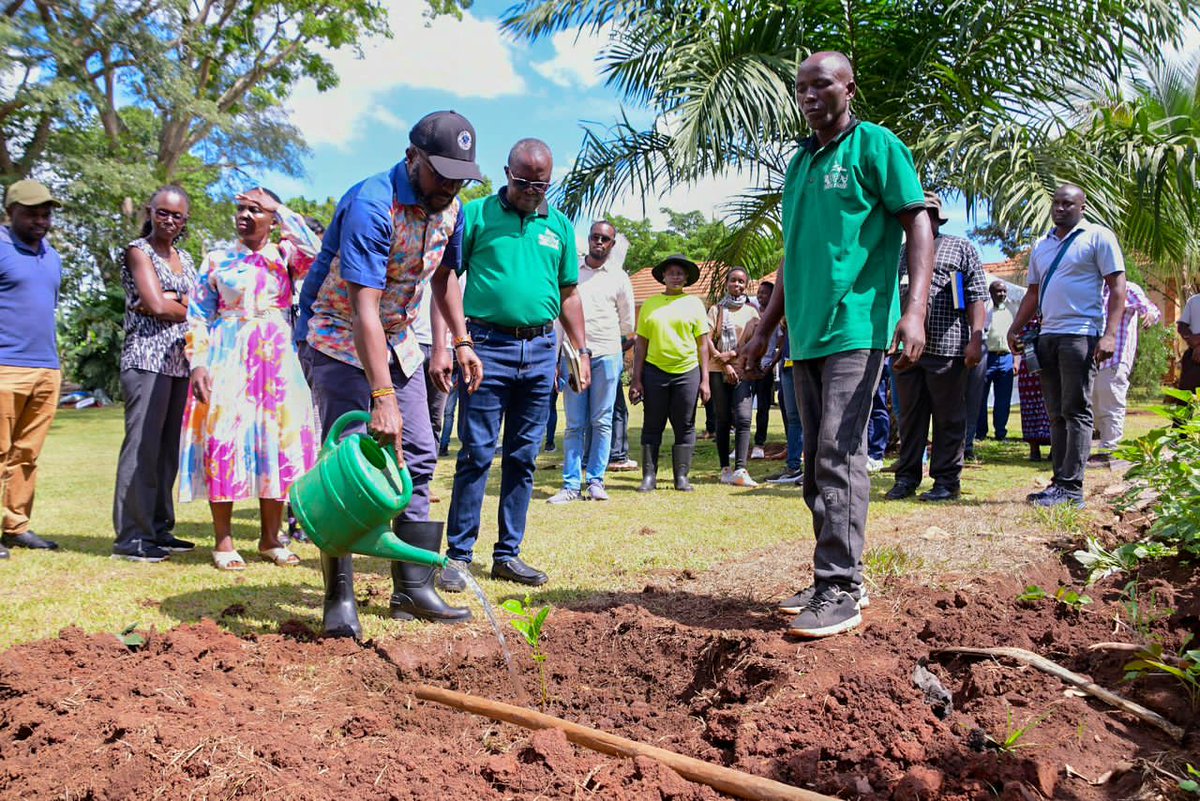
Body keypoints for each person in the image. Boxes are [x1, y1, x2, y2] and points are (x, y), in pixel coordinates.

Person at [742, 51, 933, 638]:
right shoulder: (799, 165)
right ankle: (839, 576)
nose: (809, 95)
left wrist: (915, 310)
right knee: (810, 465)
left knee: (838, 453)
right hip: (807, 331)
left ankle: (840, 585)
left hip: (857, 323)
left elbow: (917, 220)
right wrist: (769, 326)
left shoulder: (876, 146)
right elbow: (793, 252)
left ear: (849, 87)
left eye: (821, 84)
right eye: (801, 88)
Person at [297, 110, 485, 637]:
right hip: (336, 334)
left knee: (420, 452)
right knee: (351, 461)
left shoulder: (454, 211)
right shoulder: (371, 204)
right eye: (440, 172)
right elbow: (363, 310)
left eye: (459, 175)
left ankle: (413, 588)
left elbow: (447, 279)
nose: (449, 184)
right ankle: (339, 599)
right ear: (412, 158)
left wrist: (462, 341)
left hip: (398, 336)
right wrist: (381, 396)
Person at [439, 138, 588, 592]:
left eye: (539, 184)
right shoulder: (477, 214)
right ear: (506, 173)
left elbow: (568, 293)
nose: (530, 190)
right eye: (522, 181)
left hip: (541, 351)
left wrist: (579, 350)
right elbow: (444, 276)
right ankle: (459, 556)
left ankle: (508, 555)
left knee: (523, 457)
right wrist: (455, 342)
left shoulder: (559, 225)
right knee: (477, 454)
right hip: (486, 348)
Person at [179, 187, 321, 570]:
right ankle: (224, 541)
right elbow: (197, 315)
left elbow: (318, 251)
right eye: (240, 208)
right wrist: (199, 363)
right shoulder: (217, 259)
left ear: (272, 219)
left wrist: (280, 209)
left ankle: (271, 539)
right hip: (227, 356)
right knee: (223, 440)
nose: (244, 215)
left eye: (255, 210)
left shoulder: (285, 256)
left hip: (276, 359)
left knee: (277, 442)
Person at [1007, 184, 1126, 508]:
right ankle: (1059, 483)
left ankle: (1073, 489)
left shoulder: (1098, 237)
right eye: (1056, 203)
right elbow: (1033, 293)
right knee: (1056, 413)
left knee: (1076, 411)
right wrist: (1015, 328)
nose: (1060, 208)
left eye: (1068, 204)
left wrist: (1110, 334)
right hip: (1047, 337)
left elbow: (1117, 287)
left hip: (1080, 336)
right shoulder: (1042, 246)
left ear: (1082, 208)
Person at [111, 186, 198, 562]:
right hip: (146, 360)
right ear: (151, 211)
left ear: (185, 221)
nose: (168, 220)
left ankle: (159, 529)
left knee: (166, 453)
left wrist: (173, 302)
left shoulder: (186, 258)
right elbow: (154, 304)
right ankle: (132, 537)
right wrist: (174, 303)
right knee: (142, 448)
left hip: (178, 363)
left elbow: (198, 306)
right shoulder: (138, 251)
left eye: (176, 215)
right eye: (162, 212)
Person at [885, 193, 986, 502]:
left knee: (948, 419)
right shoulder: (900, 253)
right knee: (910, 420)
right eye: (916, 213)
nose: (921, 219)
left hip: (948, 349)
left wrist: (976, 339)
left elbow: (976, 294)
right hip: (906, 353)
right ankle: (906, 479)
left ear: (938, 218)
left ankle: (946, 481)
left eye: (927, 213)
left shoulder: (960, 247)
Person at [547, 220, 634, 503]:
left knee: (602, 421)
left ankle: (596, 481)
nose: (599, 242)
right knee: (574, 424)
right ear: (589, 239)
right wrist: (557, 356)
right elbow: (560, 317)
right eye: (595, 237)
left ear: (612, 244)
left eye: (605, 239)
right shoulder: (571, 272)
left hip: (607, 355)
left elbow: (627, 323)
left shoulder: (620, 277)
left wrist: (612, 347)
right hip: (572, 356)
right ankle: (571, 485)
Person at [0, 179, 64, 559]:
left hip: (45, 367)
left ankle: (16, 525)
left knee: (27, 454)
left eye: (46, 214)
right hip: (4, 365)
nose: (41, 220)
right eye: (32, 213)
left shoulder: (51, 255)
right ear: (11, 213)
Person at [630, 255, 711, 492]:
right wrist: (636, 379)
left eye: (680, 273)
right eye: (671, 273)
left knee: (685, 424)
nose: (675, 277)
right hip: (655, 372)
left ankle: (682, 477)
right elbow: (641, 345)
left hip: (687, 371)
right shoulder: (650, 304)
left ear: (686, 278)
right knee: (652, 423)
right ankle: (649, 477)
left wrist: (705, 380)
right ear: (663, 276)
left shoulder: (695, 304)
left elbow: (703, 345)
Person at [1089, 281, 1160, 461]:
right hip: (1091, 358)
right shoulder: (1092, 286)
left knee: (1111, 400)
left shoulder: (1127, 288)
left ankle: (1108, 451)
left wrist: (1150, 316)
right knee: (1094, 403)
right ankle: (1100, 441)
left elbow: (1150, 308)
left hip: (1116, 356)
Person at [707, 267, 761, 486]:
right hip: (718, 369)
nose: (737, 285)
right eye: (733, 281)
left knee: (744, 418)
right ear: (726, 283)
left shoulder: (752, 312)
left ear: (745, 285)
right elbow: (706, 340)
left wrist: (735, 355)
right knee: (723, 419)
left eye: (741, 282)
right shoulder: (716, 310)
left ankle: (741, 469)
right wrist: (724, 362)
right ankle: (725, 469)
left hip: (743, 370)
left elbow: (756, 342)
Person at [763, 319, 805, 485]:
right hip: (788, 365)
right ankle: (793, 468)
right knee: (793, 418)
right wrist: (774, 362)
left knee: (810, 418)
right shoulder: (788, 310)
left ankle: (812, 470)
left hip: (805, 363)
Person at [976, 280, 1015, 442]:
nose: (1002, 294)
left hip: (1006, 358)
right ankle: (980, 433)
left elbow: (1015, 337)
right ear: (991, 293)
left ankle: (1001, 433)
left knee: (1003, 399)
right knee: (980, 398)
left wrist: (1016, 360)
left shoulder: (1010, 311)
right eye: (999, 291)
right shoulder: (985, 311)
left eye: (1004, 291)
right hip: (987, 358)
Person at [750, 280, 776, 460]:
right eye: (759, 292)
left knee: (763, 407)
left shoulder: (776, 317)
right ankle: (741, 443)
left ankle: (759, 443)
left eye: (764, 293)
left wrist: (771, 365)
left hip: (765, 368)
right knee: (741, 408)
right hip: (749, 368)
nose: (760, 295)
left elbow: (781, 344)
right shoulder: (751, 314)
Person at [607, 334, 638, 471]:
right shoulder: (613, 328)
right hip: (609, 369)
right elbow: (617, 348)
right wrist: (634, 340)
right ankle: (617, 456)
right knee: (619, 412)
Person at [1179, 289, 1200, 393]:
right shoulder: (1194, 300)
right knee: (1188, 399)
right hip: (1194, 356)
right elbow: (1182, 326)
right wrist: (1194, 344)